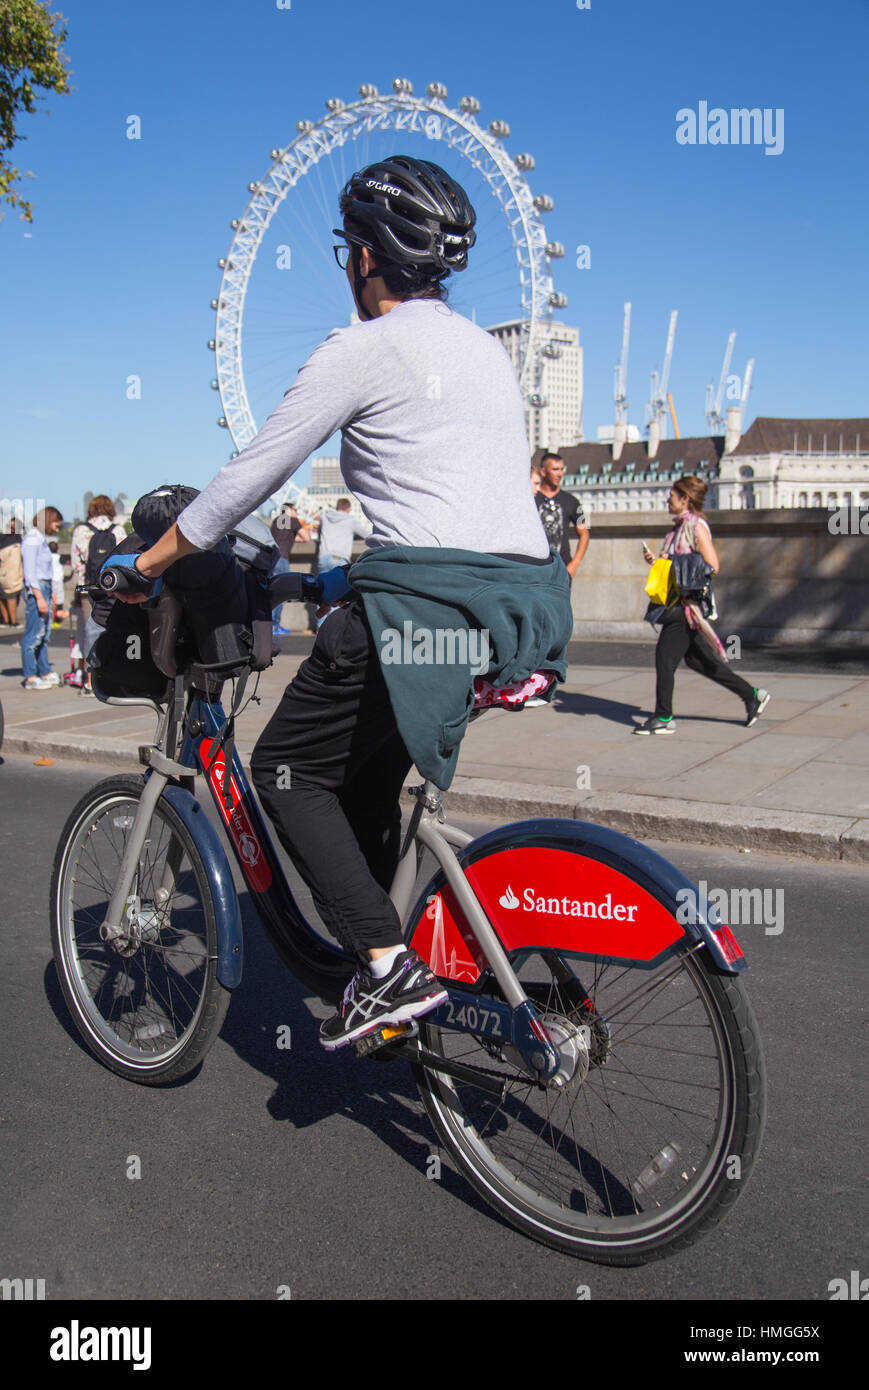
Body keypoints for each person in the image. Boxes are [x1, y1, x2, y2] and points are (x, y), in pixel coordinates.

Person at [109, 155, 572, 1050]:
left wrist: (149, 562)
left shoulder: (360, 348)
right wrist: (317, 583)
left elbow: (249, 475)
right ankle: (394, 943)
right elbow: (446, 511)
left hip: (417, 619)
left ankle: (389, 968)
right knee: (358, 788)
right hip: (518, 614)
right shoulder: (483, 351)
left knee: (285, 771)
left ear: (362, 256)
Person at [635, 475, 770, 734]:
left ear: (685, 499)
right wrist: (658, 562)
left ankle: (663, 717)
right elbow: (677, 565)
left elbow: (712, 565)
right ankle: (752, 696)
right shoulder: (677, 529)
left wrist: (671, 560)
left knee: (664, 659)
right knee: (700, 662)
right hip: (677, 601)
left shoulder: (696, 526)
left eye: (672, 496)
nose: (667, 500)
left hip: (686, 607)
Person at [70, 496, 127, 693]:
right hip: (113, 588)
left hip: (89, 588)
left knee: (89, 632)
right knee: (113, 629)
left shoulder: (80, 530)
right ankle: (114, 676)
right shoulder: (118, 530)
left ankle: (89, 680)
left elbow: (76, 564)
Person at [308, 498, 370, 629]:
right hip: (339, 557)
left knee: (321, 593)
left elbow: (319, 533)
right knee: (339, 595)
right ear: (348, 509)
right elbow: (366, 535)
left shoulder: (325, 517)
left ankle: (321, 629)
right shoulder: (350, 520)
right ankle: (334, 629)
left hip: (324, 556)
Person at [20, 506, 63, 689]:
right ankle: (30, 677)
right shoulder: (32, 540)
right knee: (33, 635)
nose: (57, 529)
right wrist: (39, 597)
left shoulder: (39, 539)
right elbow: (30, 573)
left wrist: (50, 593)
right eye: (56, 524)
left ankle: (44, 671)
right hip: (38, 589)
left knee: (43, 634)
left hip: (44, 587)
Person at [535, 451, 589, 581]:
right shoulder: (532, 498)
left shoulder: (572, 501)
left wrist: (574, 565)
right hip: (536, 569)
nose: (560, 474)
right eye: (555, 469)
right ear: (543, 471)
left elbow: (584, 533)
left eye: (561, 469)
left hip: (562, 570)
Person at [270, 503, 311, 635]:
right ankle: (275, 626)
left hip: (271, 558)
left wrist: (292, 538)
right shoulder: (292, 521)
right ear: (288, 510)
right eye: (295, 509)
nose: (296, 512)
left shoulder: (277, 521)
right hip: (282, 559)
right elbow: (306, 537)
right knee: (280, 593)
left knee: (270, 592)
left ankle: (269, 625)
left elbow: (280, 537)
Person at [0, 519, 24, 627]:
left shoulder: (18, 539)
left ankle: (12, 621)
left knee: (11, 596)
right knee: (3, 597)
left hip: (13, 573)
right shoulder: (2, 538)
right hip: (3, 571)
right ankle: (6, 621)